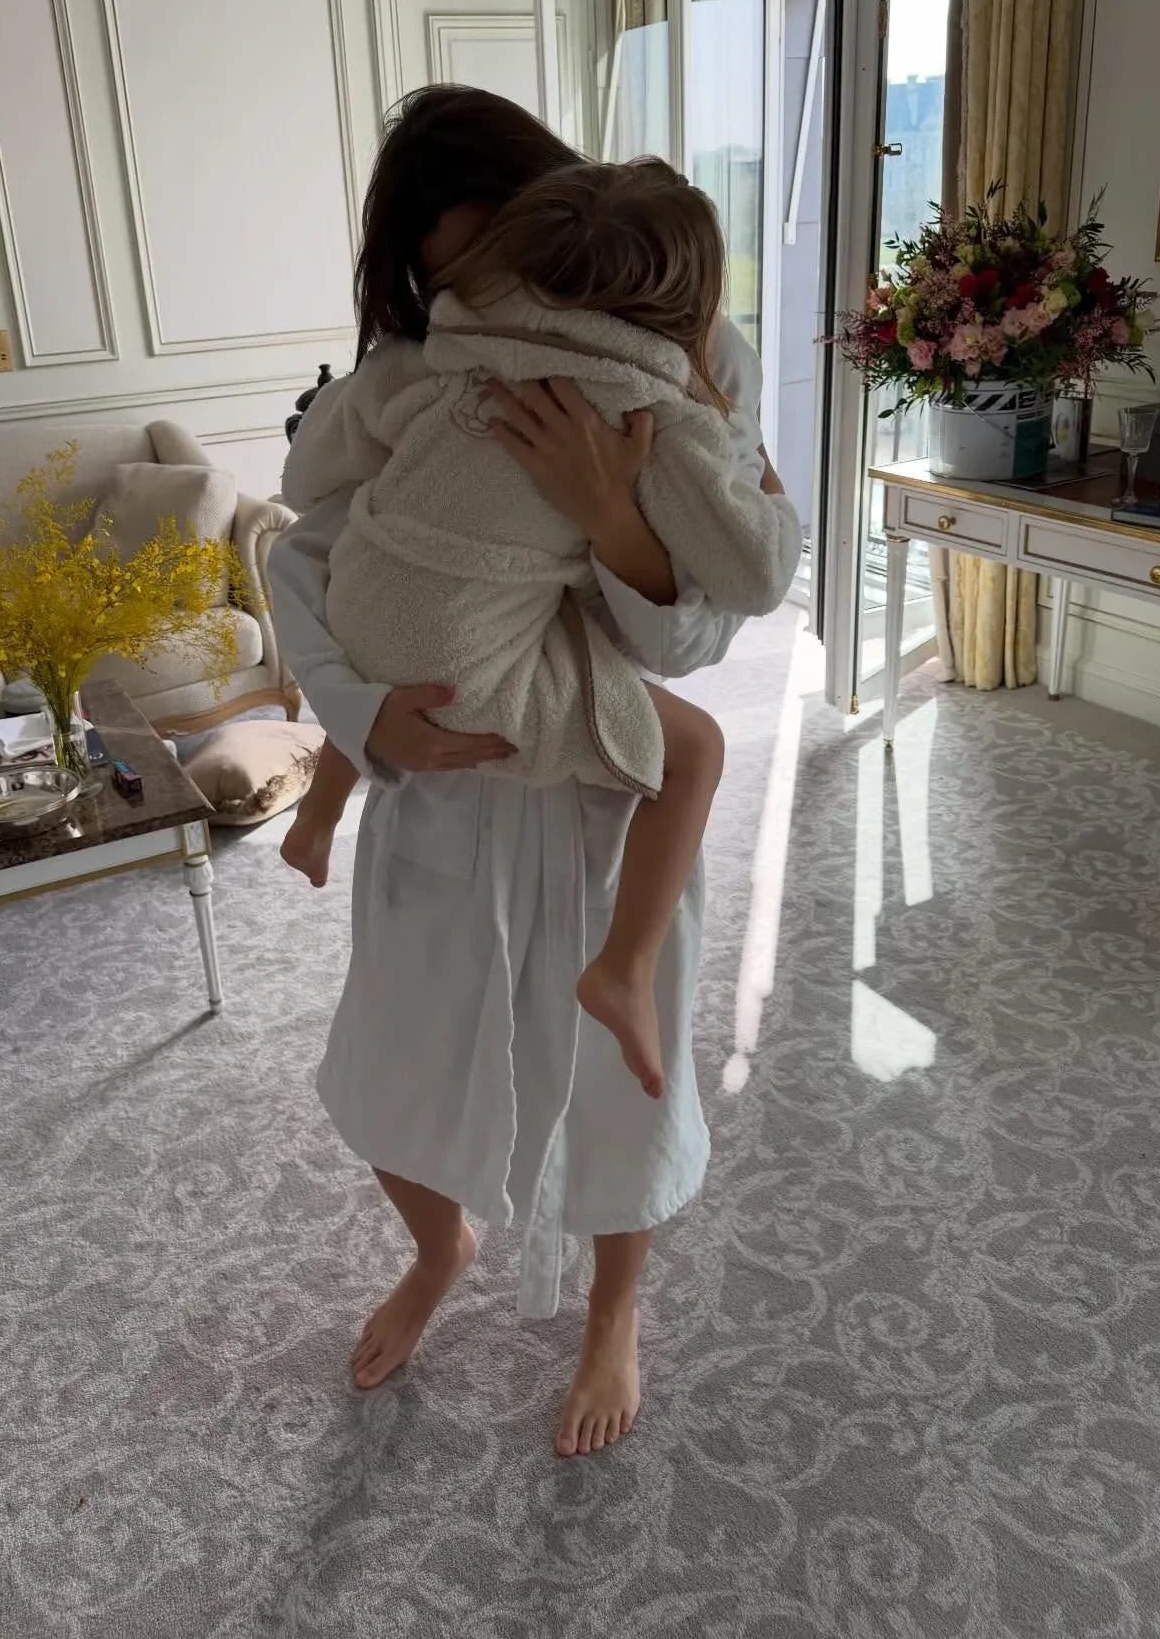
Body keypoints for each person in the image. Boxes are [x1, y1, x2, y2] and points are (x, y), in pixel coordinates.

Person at [267, 85, 798, 1457]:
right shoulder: (437, 358)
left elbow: (702, 635)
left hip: (598, 781)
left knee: (617, 1074)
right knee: (393, 1060)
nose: (502, 301)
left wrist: (607, 514)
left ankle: (616, 1306)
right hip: (440, 772)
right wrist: (366, 722)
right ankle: (437, 1248)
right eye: (451, 277)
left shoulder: (686, 352)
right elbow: (314, 560)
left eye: (500, 254)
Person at [280, 159, 800, 1100]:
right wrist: (766, 490)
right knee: (697, 753)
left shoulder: (443, 358)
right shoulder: (653, 405)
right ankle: (624, 968)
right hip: (461, 686)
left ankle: (318, 811)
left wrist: (606, 516)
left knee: (410, 621)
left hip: (371, 604)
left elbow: (314, 470)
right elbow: (757, 574)